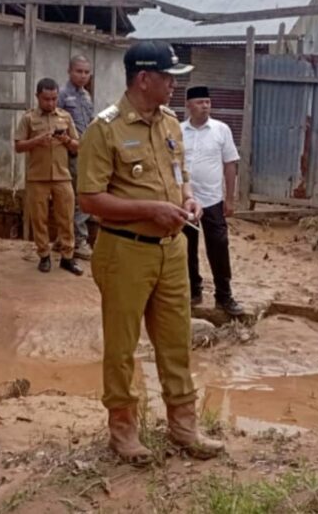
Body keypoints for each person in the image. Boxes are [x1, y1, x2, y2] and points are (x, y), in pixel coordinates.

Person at [77, 41, 224, 464]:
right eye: (168, 76)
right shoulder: (104, 129)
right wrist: (149, 210)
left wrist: (189, 199)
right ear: (144, 79)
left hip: (171, 250)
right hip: (125, 252)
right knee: (122, 348)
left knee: (176, 341)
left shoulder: (170, 124)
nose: (174, 84)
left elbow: (182, 176)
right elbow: (89, 199)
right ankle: (123, 430)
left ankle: (184, 426)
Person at [180, 86, 245, 316]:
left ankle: (224, 296)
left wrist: (230, 198)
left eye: (208, 102)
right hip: (184, 202)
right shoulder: (178, 131)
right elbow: (173, 165)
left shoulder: (221, 130)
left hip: (212, 200)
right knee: (186, 248)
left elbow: (230, 164)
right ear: (188, 105)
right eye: (200, 102)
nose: (205, 106)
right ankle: (193, 291)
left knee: (218, 247)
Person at [14, 78, 83, 276]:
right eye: (46, 99)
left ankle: (67, 257)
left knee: (66, 218)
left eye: (54, 99)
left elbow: (78, 146)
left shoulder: (65, 117)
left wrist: (67, 140)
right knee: (39, 219)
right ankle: (44, 255)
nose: (51, 103)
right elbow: (18, 146)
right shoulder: (28, 118)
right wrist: (36, 141)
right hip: (37, 177)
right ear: (38, 97)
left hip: (62, 176)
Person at [59, 55, 95, 260]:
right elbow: (57, 124)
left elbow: (90, 123)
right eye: (79, 71)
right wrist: (70, 145)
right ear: (69, 71)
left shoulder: (86, 97)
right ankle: (79, 240)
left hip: (85, 152)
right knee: (79, 197)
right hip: (69, 153)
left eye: (86, 72)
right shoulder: (63, 95)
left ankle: (64, 238)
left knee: (79, 195)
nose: (83, 76)